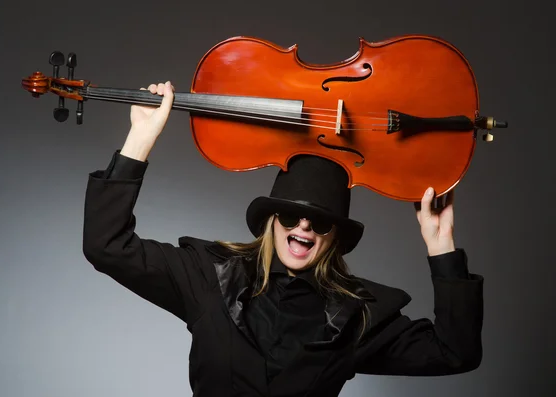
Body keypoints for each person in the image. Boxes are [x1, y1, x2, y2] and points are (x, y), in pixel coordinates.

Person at [82, 81, 484, 396]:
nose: (304, 227)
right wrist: (141, 139)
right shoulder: (209, 275)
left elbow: (455, 353)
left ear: (335, 237)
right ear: (272, 219)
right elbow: (106, 245)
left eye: (320, 222)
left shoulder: (355, 317)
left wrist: (440, 243)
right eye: (291, 215)